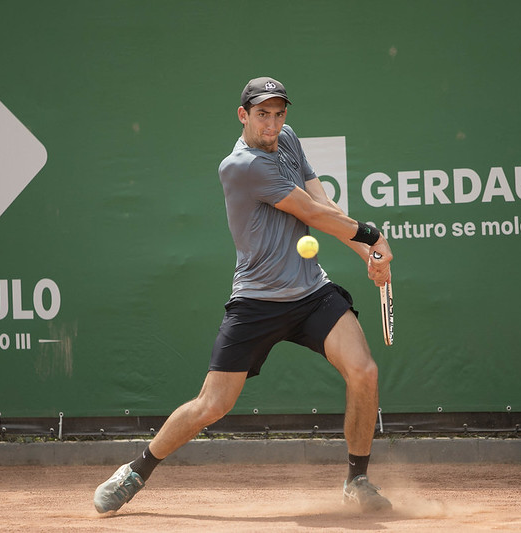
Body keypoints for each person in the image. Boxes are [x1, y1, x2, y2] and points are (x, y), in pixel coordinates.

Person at [94, 76, 394, 514]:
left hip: (311, 292)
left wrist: (367, 252)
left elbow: (323, 203)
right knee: (211, 405)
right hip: (257, 301)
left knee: (364, 372)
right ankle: (136, 470)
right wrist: (373, 233)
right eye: (262, 115)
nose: (272, 124)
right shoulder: (241, 166)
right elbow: (308, 213)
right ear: (243, 115)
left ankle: (357, 479)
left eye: (278, 114)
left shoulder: (287, 140)